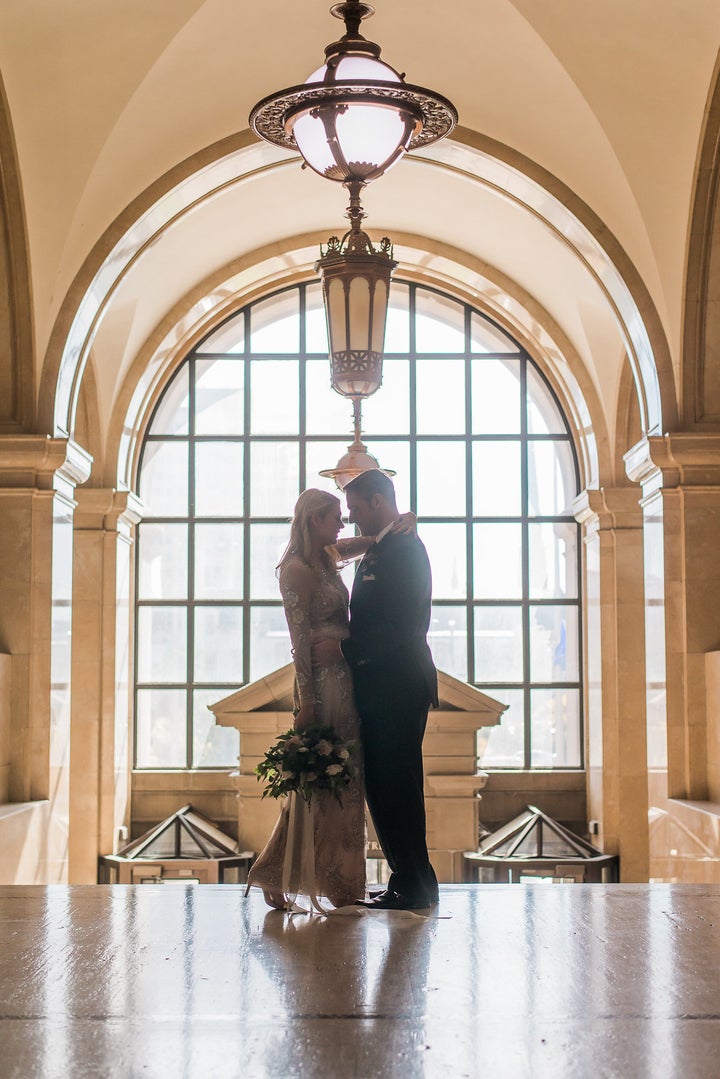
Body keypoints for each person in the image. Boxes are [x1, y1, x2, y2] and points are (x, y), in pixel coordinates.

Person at [245, 488, 415, 912]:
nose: (345, 524)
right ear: (313, 520)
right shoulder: (296, 571)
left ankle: (339, 877)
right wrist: (306, 703)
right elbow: (298, 644)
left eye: (347, 514)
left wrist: (402, 524)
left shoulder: (327, 556)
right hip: (322, 688)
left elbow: (370, 542)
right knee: (321, 781)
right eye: (336, 517)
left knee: (346, 781)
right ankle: (286, 872)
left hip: (349, 680)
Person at [313, 470, 439, 911]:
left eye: (356, 509)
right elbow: (329, 551)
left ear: (378, 502)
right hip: (388, 683)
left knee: (394, 785)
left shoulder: (403, 549)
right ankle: (413, 881)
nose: (351, 520)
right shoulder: (388, 544)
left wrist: (345, 649)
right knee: (390, 785)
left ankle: (412, 885)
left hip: (397, 684)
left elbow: (404, 625)